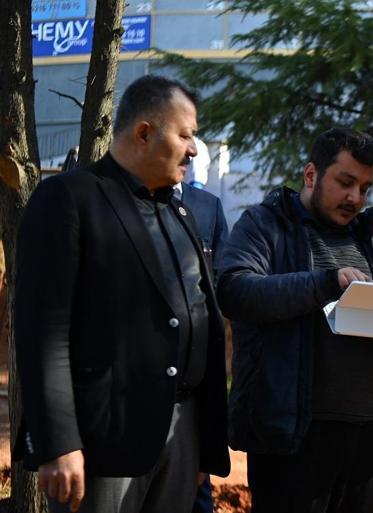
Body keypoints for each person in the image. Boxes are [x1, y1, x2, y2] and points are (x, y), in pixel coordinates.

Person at [14, 75, 230, 513]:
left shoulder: (181, 210)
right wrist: (58, 442)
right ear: (144, 132)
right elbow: (43, 330)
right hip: (102, 437)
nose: (193, 149)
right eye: (186, 135)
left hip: (181, 430)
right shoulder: (69, 199)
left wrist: (202, 440)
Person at [217, 127, 373, 513]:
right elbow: (235, 291)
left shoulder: (371, 242)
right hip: (293, 438)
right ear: (311, 175)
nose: (355, 198)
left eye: (364, 188)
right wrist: (327, 282)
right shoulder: (265, 225)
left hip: (368, 441)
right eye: (345, 183)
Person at [174, 179, 229, 513]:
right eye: (182, 135)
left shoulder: (208, 206)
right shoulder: (117, 201)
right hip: (135, 390)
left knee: (197, 496)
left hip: (195, 388)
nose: (190, 148)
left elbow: (223, 287)